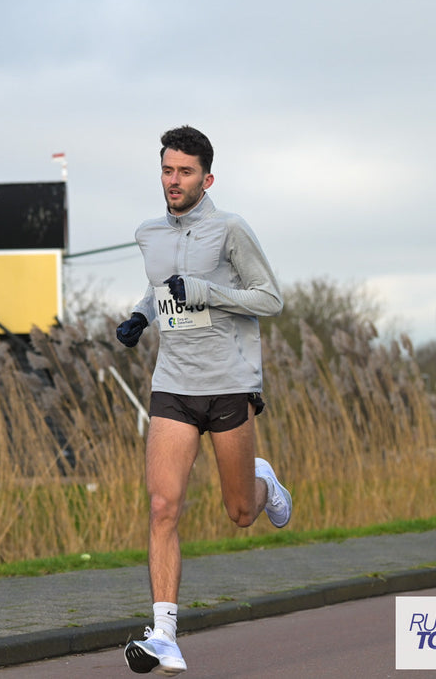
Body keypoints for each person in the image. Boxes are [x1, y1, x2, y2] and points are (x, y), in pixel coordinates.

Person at [116, 125, 292, 676]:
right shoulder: (147, 233)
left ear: (206, 178)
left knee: (240, 513)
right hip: (173, 384)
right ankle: (164, 633)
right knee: (163, 506)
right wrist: (141, 317)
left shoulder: (230, 229)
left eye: (185, 172)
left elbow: (271, 299)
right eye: (167, 170)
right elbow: (160, 284)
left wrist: (207, 291)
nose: (174, 180)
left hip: (229, 383)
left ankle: (263, 481)